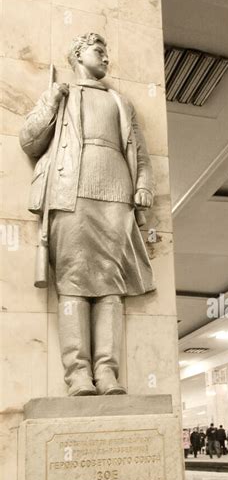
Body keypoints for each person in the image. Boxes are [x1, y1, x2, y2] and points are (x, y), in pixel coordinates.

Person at [20, 32, 155, 396]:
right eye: (99, 51)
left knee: (112, 287)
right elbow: (29, 141)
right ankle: (78, 373)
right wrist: (50, 100)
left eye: (108, 52)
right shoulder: (62, 94)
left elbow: (139, 150)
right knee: (73, 285)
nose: (106, 58)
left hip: (115, 194)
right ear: (79, 55)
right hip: (70, 193)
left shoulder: (119, 101)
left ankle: (107, 372)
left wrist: (143, 183)